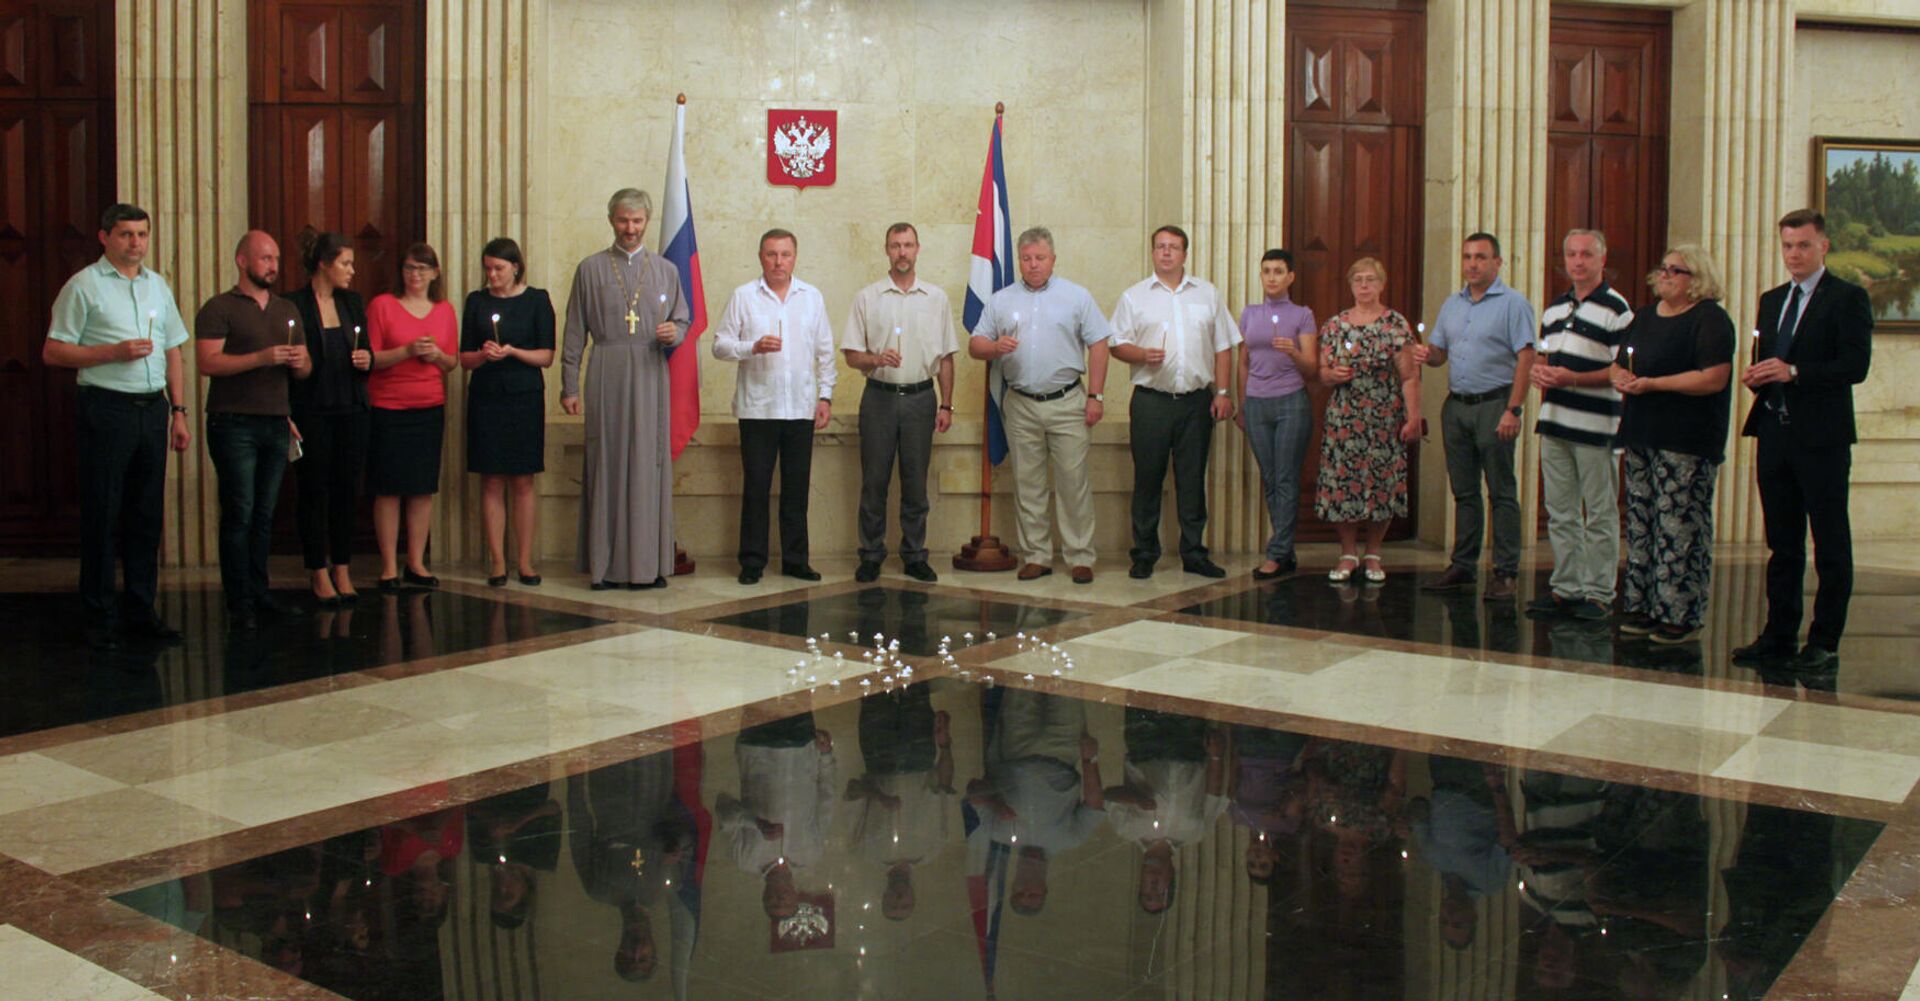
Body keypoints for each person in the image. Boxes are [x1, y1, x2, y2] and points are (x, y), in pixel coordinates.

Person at [42, 204, 193, 650]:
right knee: (103, 513)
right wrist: (111, 352)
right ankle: (99, 615)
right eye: (126, 234)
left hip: (152, 409)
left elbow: (173, 351)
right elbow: (53, 352)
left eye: (142, 234)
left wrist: (179, 410)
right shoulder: (83, 286)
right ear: (104, 237)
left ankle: (141, 611)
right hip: (106, 408)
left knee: (146, 516)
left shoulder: (157, 286)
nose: (136, 243)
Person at [1733, 209, 1874, 673]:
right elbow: (1767, 355)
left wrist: (1794, 372)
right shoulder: (1773, 299)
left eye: (1803, 246)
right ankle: (1778, 633)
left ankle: (1824, 639)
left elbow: (1854, 366)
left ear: (1823, 246)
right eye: (1788, 246)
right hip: (1775, 432)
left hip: (1823, 438)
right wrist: (1759, 374)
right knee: (1782, 542)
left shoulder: (1847, 298)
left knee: (1830, 542)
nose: (1793, 254)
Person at [560, 188, 689, 591]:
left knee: (648, 464)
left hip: (650, 370)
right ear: (611, 220)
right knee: (608, 462)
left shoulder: (666, 270)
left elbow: (683, 320)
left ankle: (648, 566)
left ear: (647, 222)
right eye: (623, 220)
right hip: (607, 370)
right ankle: (605, 567)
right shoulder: (590, 268)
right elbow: (574, 331)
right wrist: (569, 386)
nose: (630, 229)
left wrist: (674, 332)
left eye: (637, 221)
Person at [968, 227, 1112, 584]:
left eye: (1040, 258)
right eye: (1027, 258)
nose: (1033, 265)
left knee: (1072, 482)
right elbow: (975, 345)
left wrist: (1096, 395)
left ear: (1053, 259)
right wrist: (994, 347)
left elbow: (1099, 343)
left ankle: (1080, 556)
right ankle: (1037, 555)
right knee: (1028, 483)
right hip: (1020, 405)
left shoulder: (1076, 297)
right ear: (1019, 260)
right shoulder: (1002, 300)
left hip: (1068, 403)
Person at [1611, 246, 1735, 645]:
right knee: (1643, 521)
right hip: (1643, 432)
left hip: (1687, 438)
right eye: (1662, 268)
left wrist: (1653, 384)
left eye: (1675, 270)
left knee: (1679, 525)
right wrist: (1621, 378)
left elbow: (1713, 377)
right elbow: (1619, 361)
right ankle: (1643, 605)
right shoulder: (1645, 317)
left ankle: (1680, 613)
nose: (1664, 275)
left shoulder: (1710, 319)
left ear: (1696, 278)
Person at [195, 231, 312, 630]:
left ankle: (260, 592)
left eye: (276, 258)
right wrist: (261, 357)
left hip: (276, 421)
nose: (273, 266)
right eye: (264, 258)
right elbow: (208, 363)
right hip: (234, 422)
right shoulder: (219, 307)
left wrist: (298, 362)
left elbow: (307, 367)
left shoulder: (286, 309)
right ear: (242, 261)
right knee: (240, 512)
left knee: (264, 515)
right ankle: (238, 598)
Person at [1108, 225, 1240, 580]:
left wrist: (1224, 393)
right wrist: (1140, 353)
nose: (1166, 253)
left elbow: (1224, 345)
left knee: (1192, 479)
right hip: (1151, 402)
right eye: (1160, 247)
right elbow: (1116, 344)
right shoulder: (1134, 296)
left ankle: (1194, 553)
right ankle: (1145, 553)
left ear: (1185, 254)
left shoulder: (1207, 294)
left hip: (1196, 402)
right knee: (1147, 479)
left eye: (1174, 247)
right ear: (1152, 253)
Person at [1414, 233, 1537, 599]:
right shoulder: (1453, 304)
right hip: (1457, 406)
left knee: (1501, 491)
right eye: (1467, 257)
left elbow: (1526, 358)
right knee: (1464, 490)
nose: (1472, 264)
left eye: (1481, 257)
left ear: (1497, 263)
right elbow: (1440, 354)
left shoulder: (1514, 304)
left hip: (1495, 404)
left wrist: (1513, 409)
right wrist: (1427, 355)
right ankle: (1463, 565)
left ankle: (1505, 571)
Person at [711, 228, 836, 585]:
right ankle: (752, 561)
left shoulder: (811, 297)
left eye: (785, 254)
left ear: (795, 257)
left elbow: (825, 352)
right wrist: (751, 347)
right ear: (760, 257)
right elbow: (719, 345)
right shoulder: (743, 296)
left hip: (800, 409)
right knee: (756, 488)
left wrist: (825, 396)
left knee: (796, 490)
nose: (778, 261)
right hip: (758, 410)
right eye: (771, 254)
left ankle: (796, 560)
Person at [841, 222, 958, 584]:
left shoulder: (936, 298)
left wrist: (947, 404)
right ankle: (871, 554)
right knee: (874, 482)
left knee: (915, 482)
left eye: (908, 245)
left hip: (922, 399)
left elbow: (947, 358)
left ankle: (914, 555)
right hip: (879, 399)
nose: (902, 252)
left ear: (918, 249)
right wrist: (875, 359)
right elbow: (850, 356)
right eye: (895, 246)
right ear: (886, 250)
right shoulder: (867, 297)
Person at [1528, 229, 1632, 621]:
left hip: (1596, 424)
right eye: (1571, 254)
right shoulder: (1554, 309)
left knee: (1600, 511)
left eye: (1586, 254)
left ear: (1602, 260)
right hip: (1555, 421)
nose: (1578, 262)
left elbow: (1620, 369)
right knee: (1561, 510)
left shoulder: (1617, 309)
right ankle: (1566, 586)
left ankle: (1599, 591)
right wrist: (1542, 373)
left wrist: (1570, 378)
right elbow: (1545, 356)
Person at [1313, 258, 1423, 582]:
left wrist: (1413, 416)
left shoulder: (1395, 324)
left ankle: (1373, 552)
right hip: (1345, 414)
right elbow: (1320, 372)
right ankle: (1348, 552)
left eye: (1371, 279)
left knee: (1381, 483)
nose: (1364, 285)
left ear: (1381, 284)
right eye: (1358, 279)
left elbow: (1410, 376)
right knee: (1342, 482)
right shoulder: (1335, 325)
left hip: (1384, 414)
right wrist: (1331, 374)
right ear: (1350, 285)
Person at [460, 237, 555, 588]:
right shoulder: (476, 301)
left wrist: (513, 350)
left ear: (516, 266)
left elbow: (546, 355)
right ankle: (497, 562)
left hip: (524, 396)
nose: (492, 275)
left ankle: (525, 561)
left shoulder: (537, 300)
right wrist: (485, 355)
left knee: (523, 480)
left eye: (498, 268)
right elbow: (463, 359)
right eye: (488, 269)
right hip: (487, 397)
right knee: (491, 479)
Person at [365, 243, 457, 591]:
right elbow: (371, 357)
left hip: (429, 406)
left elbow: (452, 362)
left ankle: (415, 563)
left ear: (435, 273)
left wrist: (435, 355)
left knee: (421, 488)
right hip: (388, 406)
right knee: (387, 488)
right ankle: (388, 566)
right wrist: (405, 351)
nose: (415, 275)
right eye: (409, 267)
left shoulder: (445, 310)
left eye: (422, 268)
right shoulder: (382, 306)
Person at [287, 231, 372, 606]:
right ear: (324, 263)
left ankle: (342, 565)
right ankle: (317, 570)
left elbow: (365, 350)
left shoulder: (352, 302)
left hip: (351, 409)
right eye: (345, 263)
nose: (352, 270)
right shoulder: (294, 304)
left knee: (345, 491)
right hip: (312, 410)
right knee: (314, 491)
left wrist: (366, 360)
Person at [1235, 248, 1318, 580]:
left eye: (1278, 271)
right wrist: (1242, 404)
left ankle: (1277, 552)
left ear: (1291, 277)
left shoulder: (1302, 314)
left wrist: (1293, 352)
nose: (1272, 277)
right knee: (1270, 478)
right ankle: (1286, 549)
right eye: (1266, 271)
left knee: (1285, 477)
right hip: (1257, 402)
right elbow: (1243, 361)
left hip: (1290, 403)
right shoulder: (1250, 313)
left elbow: (1311, 366)